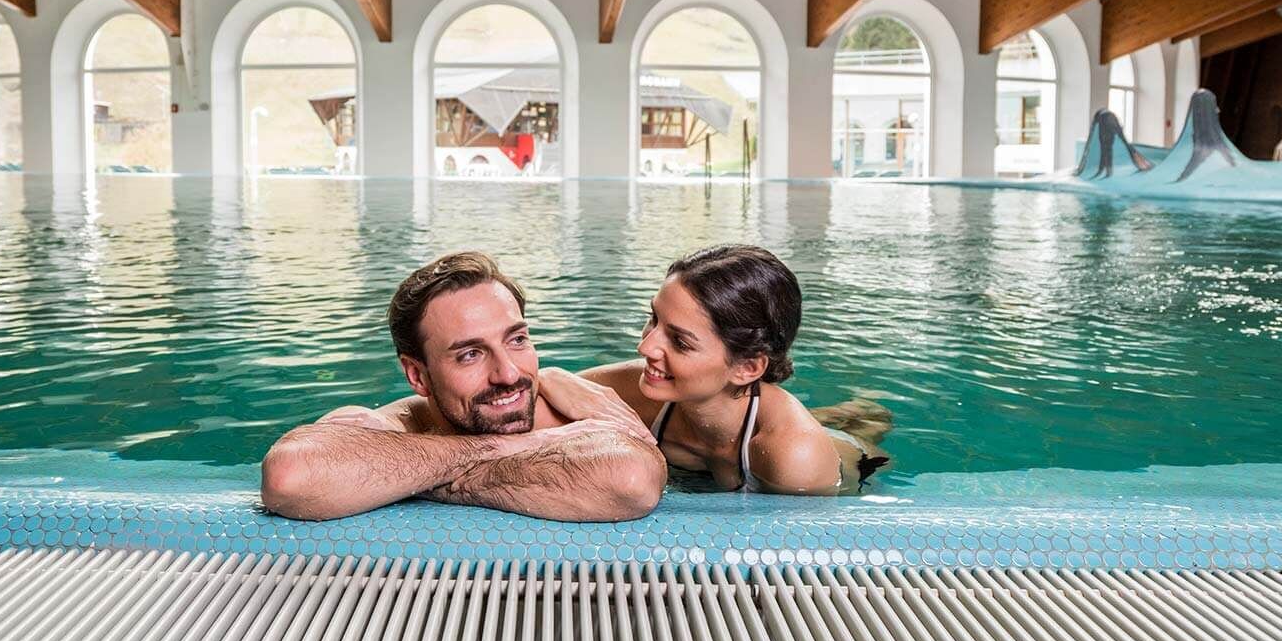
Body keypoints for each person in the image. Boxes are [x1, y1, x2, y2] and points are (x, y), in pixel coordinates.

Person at [260, 251, 668, 522]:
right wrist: (503, 448)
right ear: (417, 375)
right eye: (470, 354)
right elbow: (290, 476)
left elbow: (631, 479)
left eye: (517, 340)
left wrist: (418, 479)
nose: (508, 374)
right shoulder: (391, 426)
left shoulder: (570, 410)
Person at [540, 245, 890, 495]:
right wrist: (550, 376)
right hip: (745, 416)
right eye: (653, 319)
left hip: (853, 463)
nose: (645, 347)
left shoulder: (794, 459)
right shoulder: (638, 389)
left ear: (747, 367)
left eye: (680, 342)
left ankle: (864, 412)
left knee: (867, 427)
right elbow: (530, 396)